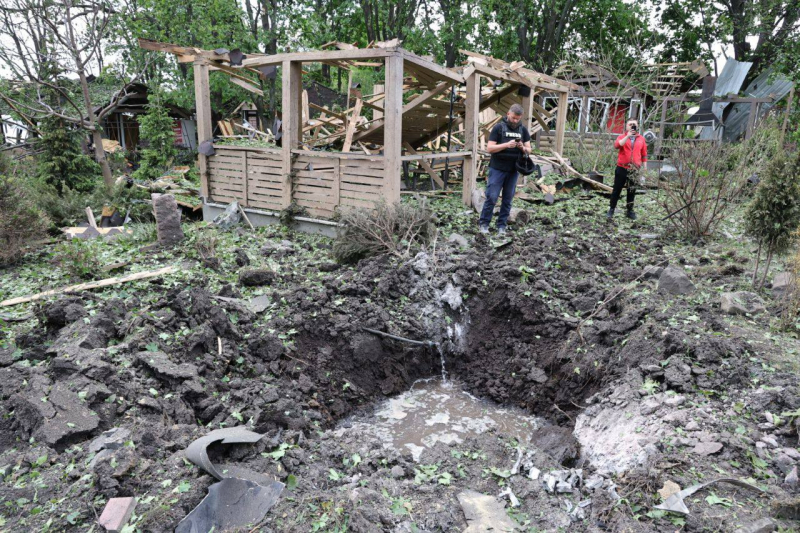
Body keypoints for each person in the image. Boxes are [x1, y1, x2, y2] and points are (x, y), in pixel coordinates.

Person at [480, 103, 532, 235]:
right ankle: (484, 224)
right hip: (497, 168)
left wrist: (521, 148)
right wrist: (506, 145)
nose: (515, 121)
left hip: (513, 169)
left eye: (518, 119)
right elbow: (490, 148)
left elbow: (529, 150)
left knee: (508, 199)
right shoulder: (498, 128)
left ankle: (501, 226)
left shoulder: (523, 130)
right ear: (508, 114)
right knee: (492, 197)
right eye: (513, 118)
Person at [608, 119, 647, 220]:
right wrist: (628, 136)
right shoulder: (622, 137)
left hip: (634, 169)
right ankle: (611, 209)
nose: (632, 126)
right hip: (622, 168)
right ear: (626, 126)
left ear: (637, 126)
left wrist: (645, 168)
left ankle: (630, 211)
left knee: (631, 190)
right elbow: (617, 145)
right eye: (630, 124)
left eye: (634, 124)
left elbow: (644, 154)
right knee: (617, 189)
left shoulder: (641, 139)